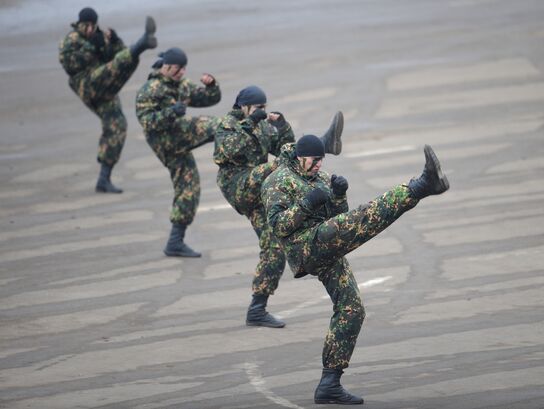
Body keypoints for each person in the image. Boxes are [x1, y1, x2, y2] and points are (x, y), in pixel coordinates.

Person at [261, 135, 449, 404]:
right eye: (314, 161)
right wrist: (305, 204)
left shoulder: (319, 177)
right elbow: (279, 226)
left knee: (353, 309)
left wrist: (338, 195)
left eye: (321, 160)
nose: (318, 165)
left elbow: (338, 217)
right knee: (364, 217)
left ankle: (329, 383)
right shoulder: (277, 181)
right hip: (304, 247)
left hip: (324, 241)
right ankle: (419, 186)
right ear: (300, 157)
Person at [214, 85, 344, 328]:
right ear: (244, 106)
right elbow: (227, 151)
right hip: (238, 184)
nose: (262, 111)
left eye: (264, 107)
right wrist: (250, 123)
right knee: (279, 166)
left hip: (258, 191)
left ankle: (257, 309)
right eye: (257, 107)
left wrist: (283, 127)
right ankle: (324, 144)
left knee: (275, 247)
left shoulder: (261, 124)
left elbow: (286, 149)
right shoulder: (227, 125)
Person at [59, 7, 157, 193]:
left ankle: (104, 179)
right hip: (87, 85)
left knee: (117, 126)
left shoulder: (99, 35)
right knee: (117, 65)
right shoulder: (71, 40)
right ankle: (142, 43)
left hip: (104, 88)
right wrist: (93, 47)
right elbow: (70, 64)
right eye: (85, 25)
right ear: (79, 24)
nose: (89, 29)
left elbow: (117, 55)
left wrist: (114, 41)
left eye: (92, 25)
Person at [135, 47, 222, 258]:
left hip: (177, 138)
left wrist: (212, 86)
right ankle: (232, 156)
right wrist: (170, 113)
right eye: (178, 69)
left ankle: (175, 242)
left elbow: (206, 99)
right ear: (166, 67)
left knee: (189, 188)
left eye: (184, 69)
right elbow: (146, 122)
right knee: (216, 125)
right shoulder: (150, 89)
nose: (182, 73)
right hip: (165, 140)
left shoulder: (181, 84)